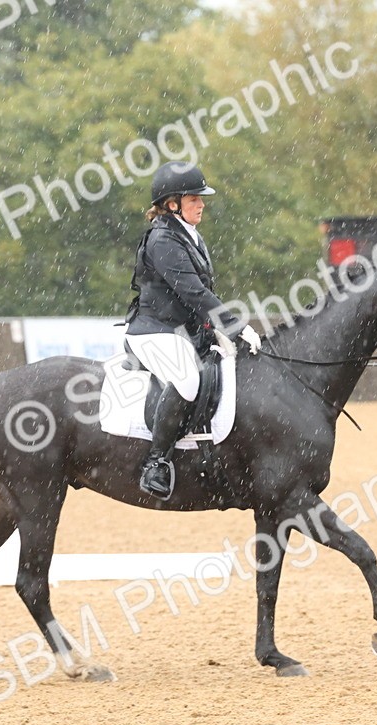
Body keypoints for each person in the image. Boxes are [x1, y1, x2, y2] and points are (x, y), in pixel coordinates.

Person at [124, 161, 261, 500]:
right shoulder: (162, 240)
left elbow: (196, 297)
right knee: (188, 379)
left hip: (181, 330)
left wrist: (213, 332)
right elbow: (193, 292)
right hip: (153, 331)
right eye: (194, 199)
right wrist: (235, 327)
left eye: (201, 199)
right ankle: (155, 463)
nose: (201, 204)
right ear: (172, 204)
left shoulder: (190, 235)